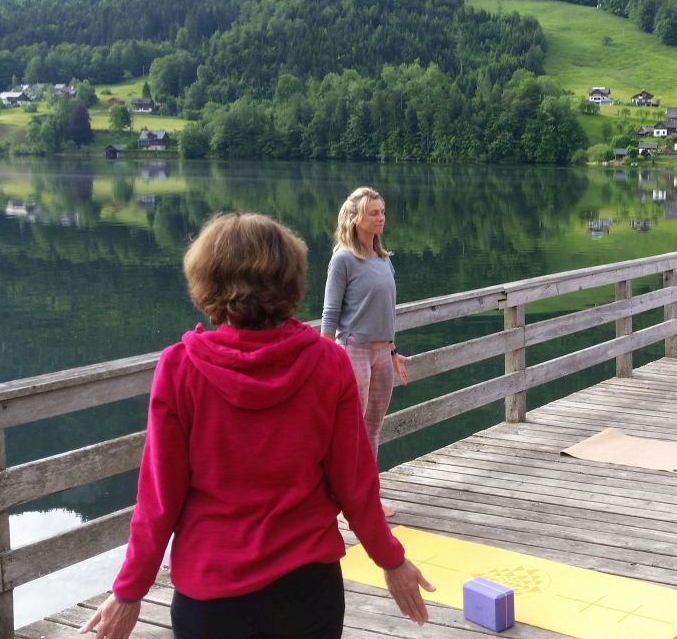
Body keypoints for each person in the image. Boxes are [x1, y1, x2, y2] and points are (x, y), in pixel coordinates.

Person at [80, 213, 433, 639]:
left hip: (211, 595)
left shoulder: (180, 368)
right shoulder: (328, 363)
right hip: (308, 588)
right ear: (290, 280)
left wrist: (129, 592)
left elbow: (159, 501)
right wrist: (391, 561)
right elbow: (355, 485)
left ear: (206, 282)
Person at [321, 187, 408, 517]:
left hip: (382, 354)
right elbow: (330, 313)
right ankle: (337, 499)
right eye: (374, 212)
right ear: (356, 218)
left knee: (371, 429)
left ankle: (366, 500)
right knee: (349, 431)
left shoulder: (384, 259)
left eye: (383, 211)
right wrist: (325, 358)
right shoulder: (343, 259)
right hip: (353, 351)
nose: (381, 217)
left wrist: (394, 350)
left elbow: (387, 310)